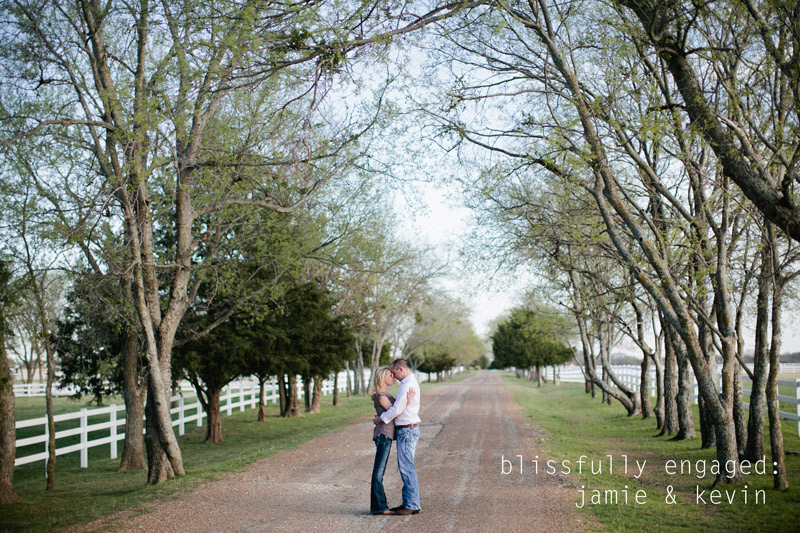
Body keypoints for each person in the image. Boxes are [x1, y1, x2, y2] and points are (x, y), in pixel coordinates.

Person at [373, 358, 421, 516]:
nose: (393, 376)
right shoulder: (407, 384)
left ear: (401, 369)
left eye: (393, 373)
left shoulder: (407, 385)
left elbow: (396, 409)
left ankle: (411, 504)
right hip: (407, 429)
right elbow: (396, 407)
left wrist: (380, 419)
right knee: (406, 467)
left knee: (407, 467)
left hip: (407, 429)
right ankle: (409, 503)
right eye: (390, 374)